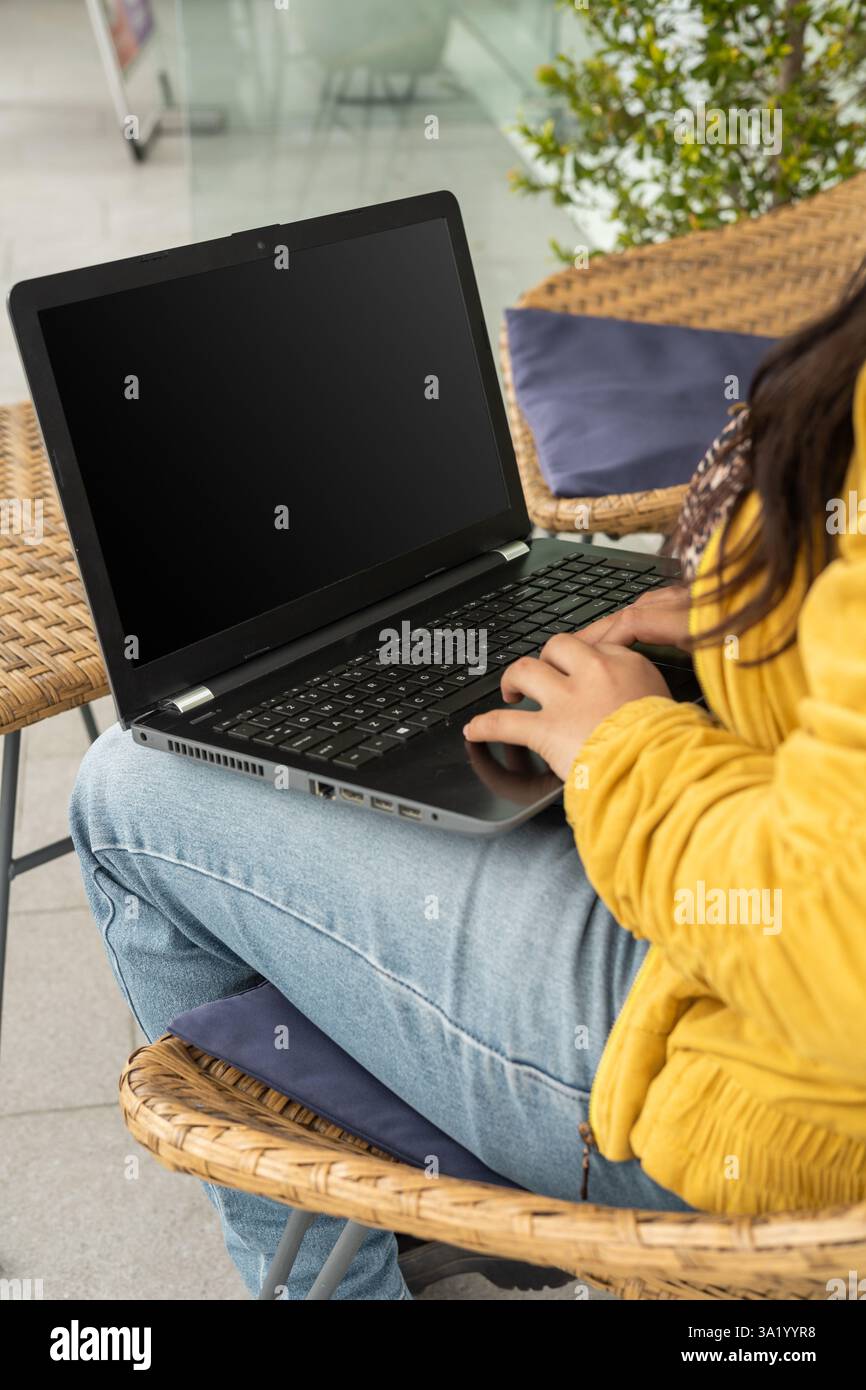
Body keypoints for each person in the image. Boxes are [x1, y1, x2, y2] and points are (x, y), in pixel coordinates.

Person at [71, 266, 866, 1300]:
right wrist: (758, 629)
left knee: (130, 784)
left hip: (748, 1093)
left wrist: (625, 747)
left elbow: (833, 949)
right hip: (762, 986)